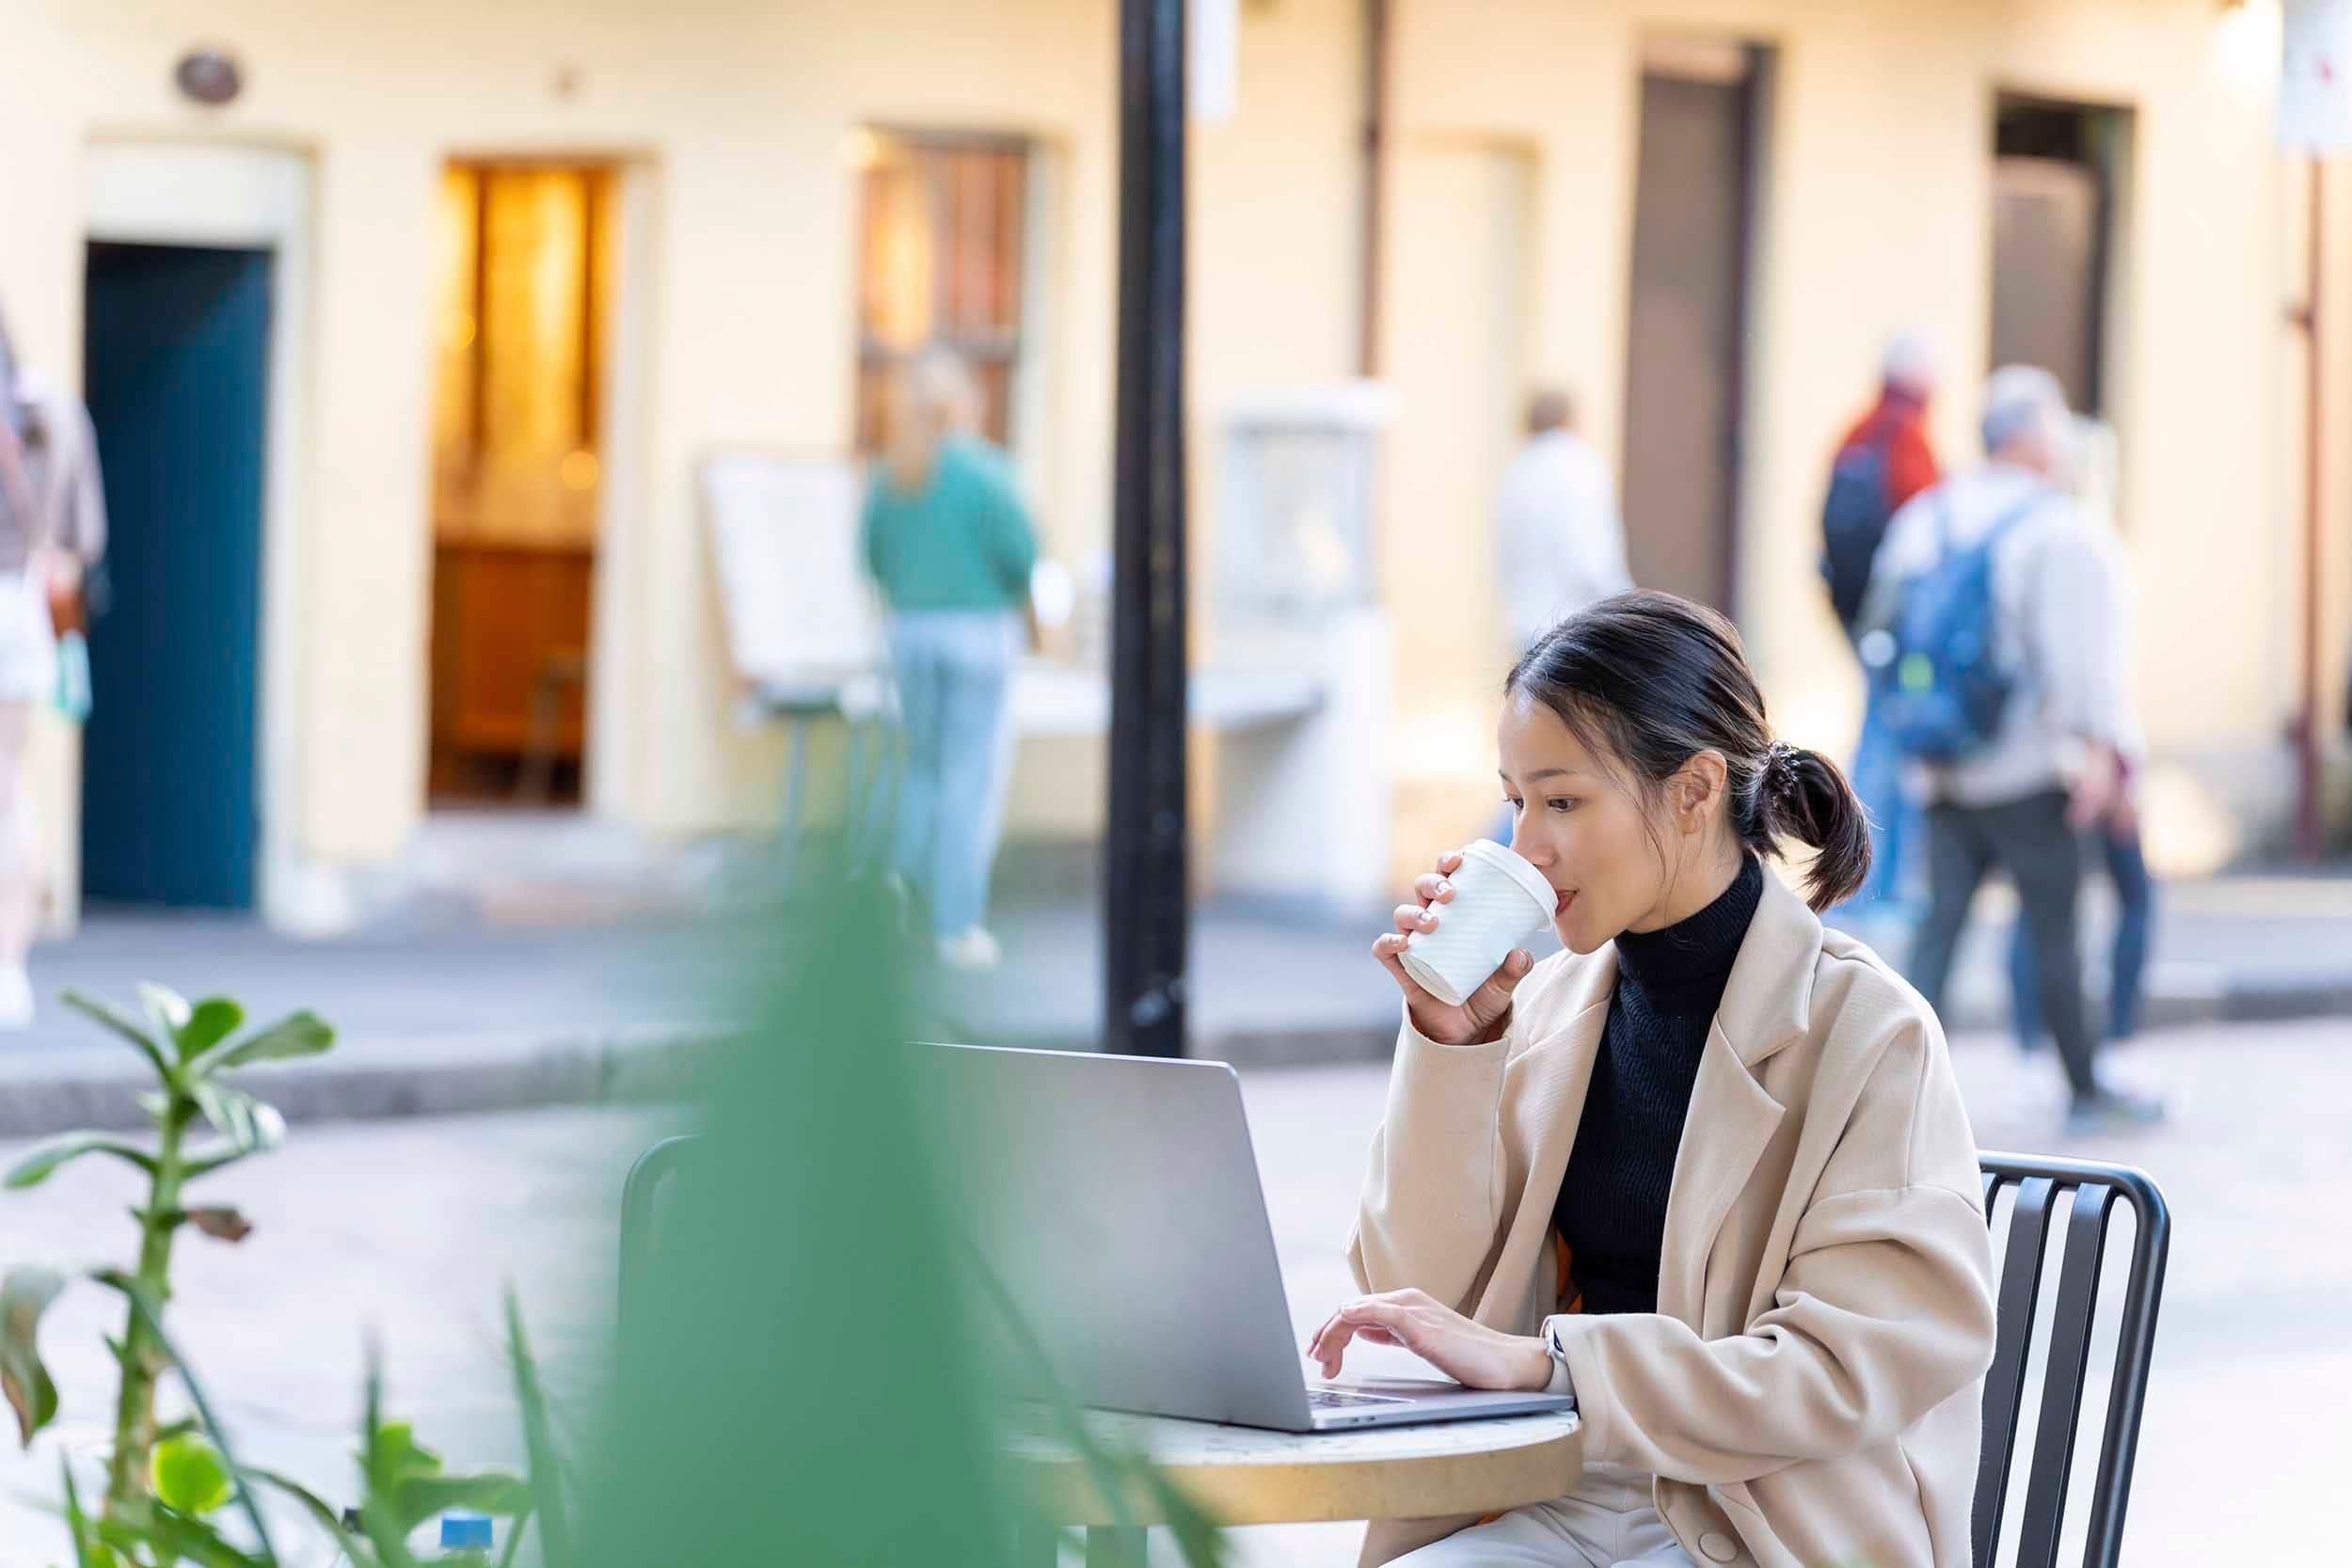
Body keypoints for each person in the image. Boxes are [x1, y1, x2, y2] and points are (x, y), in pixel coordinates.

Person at [1311, 592, 1996, 1568]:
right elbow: (1417, 1292)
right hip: (1548, 1488)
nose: (1525, 848)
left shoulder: (1866, 1031)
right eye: (1515, 801)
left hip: (1762, 1513)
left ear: (1693, 789)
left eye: (1561, 800)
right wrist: (1451, 1049)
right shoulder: (1546, 1007)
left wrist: (1557, 1366)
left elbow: (1846, 1366)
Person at [1868, 368, 2162, 1132]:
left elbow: (1882, 632)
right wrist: (2102, 751)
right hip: (2029, 769)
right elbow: (2078, 664)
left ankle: (1891, 1094)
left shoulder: (1926, 518)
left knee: (1938, 933)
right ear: (2033, 437)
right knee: (2055, 929)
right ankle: (2083, 1084)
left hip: (1939, 766)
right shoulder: (2056, 527)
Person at [859, 348, 1036, 972]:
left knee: (920, 770)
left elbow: (871, 558)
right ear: (963, 401)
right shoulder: (986, 473)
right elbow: (1022, 556)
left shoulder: (893, 473)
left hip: (910, 633)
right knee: (968, 778)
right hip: (979, 636)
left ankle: (894, 898)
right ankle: (956, 924)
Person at [2009, 417, 2154, 1057]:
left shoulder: (2024, 538)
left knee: (2042, 905)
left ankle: (2036, 1039)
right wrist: (2112, 760)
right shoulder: (2084, 544)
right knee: (2115, 899)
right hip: (2081, 756)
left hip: (2041, 753)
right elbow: (2091, 673)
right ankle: (2104, 1040)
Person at [0, 309, 105, 1028]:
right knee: (10, 790)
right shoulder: (54, 411)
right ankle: (8, 965)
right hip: (21, 616)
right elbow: (82, 539)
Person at [1823, 332, 1941, 918]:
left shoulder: (1857, 432)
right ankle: (1877, 885)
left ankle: (1863, 881)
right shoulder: (1909, 438)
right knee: (1893, 741)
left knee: (1878, 733)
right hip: (1901, 630)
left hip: (1859, 617)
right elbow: (1927, 528)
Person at [1495, 388, 1633, 657]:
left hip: (1525, 620)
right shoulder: (1579, 467)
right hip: (1575, 623)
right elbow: (1591, 557)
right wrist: (1625, 604)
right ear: (1570, 419)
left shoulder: (1517, 470)